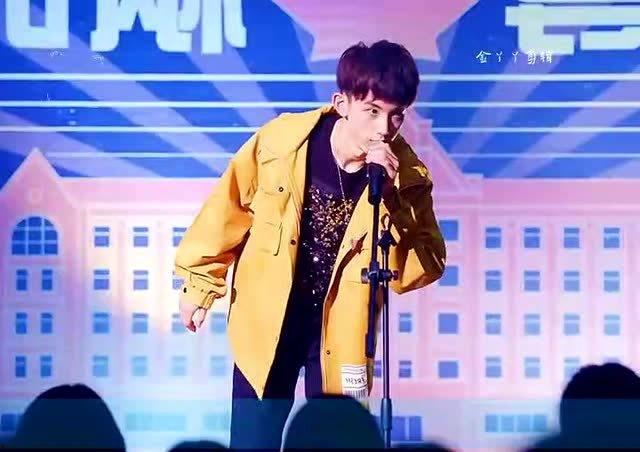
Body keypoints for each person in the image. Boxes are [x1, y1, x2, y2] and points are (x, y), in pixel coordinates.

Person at [174, 39, 446, 449]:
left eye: (396, 115)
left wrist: (391, 198)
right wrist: (199, 283)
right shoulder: (283, 143)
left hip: (342, 327)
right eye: (372, 111)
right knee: (252, 442)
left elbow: (422, 266)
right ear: (342, 103)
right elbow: (229, 207)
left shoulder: (406, 177)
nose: (383, 129)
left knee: (335, 442)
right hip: (269, 317)